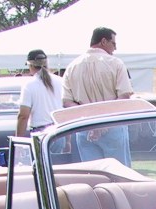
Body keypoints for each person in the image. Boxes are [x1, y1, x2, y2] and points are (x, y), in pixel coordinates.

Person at [62, 27, 134, 165]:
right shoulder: (116, 63)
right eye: (113, 43)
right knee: (120, 173)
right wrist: (103, 124)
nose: (115, 48)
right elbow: (124, 97)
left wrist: (90, 122)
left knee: (94, 173)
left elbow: (67, 102)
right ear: (103, 41)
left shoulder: (72, 67)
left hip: (84, 127)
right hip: (112, 125)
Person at [16, 48, 63, 137]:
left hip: (40, 132)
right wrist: (68, 140)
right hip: (59, 130)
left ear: (30, 65)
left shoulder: (29, 85)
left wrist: (18, 139)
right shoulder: (60, 81)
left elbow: (23, 116)